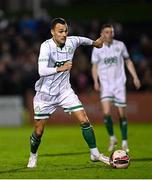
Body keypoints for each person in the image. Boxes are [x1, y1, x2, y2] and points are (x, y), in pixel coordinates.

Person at [27, 18, 110, 168]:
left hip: (65, 91)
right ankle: (33, 155)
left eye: (65, 31)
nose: (64, 34)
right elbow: (41, 70)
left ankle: (95, 154)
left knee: (84, 120)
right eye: (60, 31)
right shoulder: (46, 46)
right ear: (52, 32)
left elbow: (82, 40)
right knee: (38, 131)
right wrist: (60, 68)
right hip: (45, 94)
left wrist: (94, 43)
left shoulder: (72, 41)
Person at [91, 24, 141, 152]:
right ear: (102, 33)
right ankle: (112, 138)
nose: (110, 34)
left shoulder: (120, 45)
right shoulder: (97, 48)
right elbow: (95, 66)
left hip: (119, 84)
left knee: (121, 114)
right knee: (106, 113)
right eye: (107, 32)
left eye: (111, 32)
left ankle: (124, 142)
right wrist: (95, 81)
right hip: (106, 85)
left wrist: (135, 77)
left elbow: (128, 61)